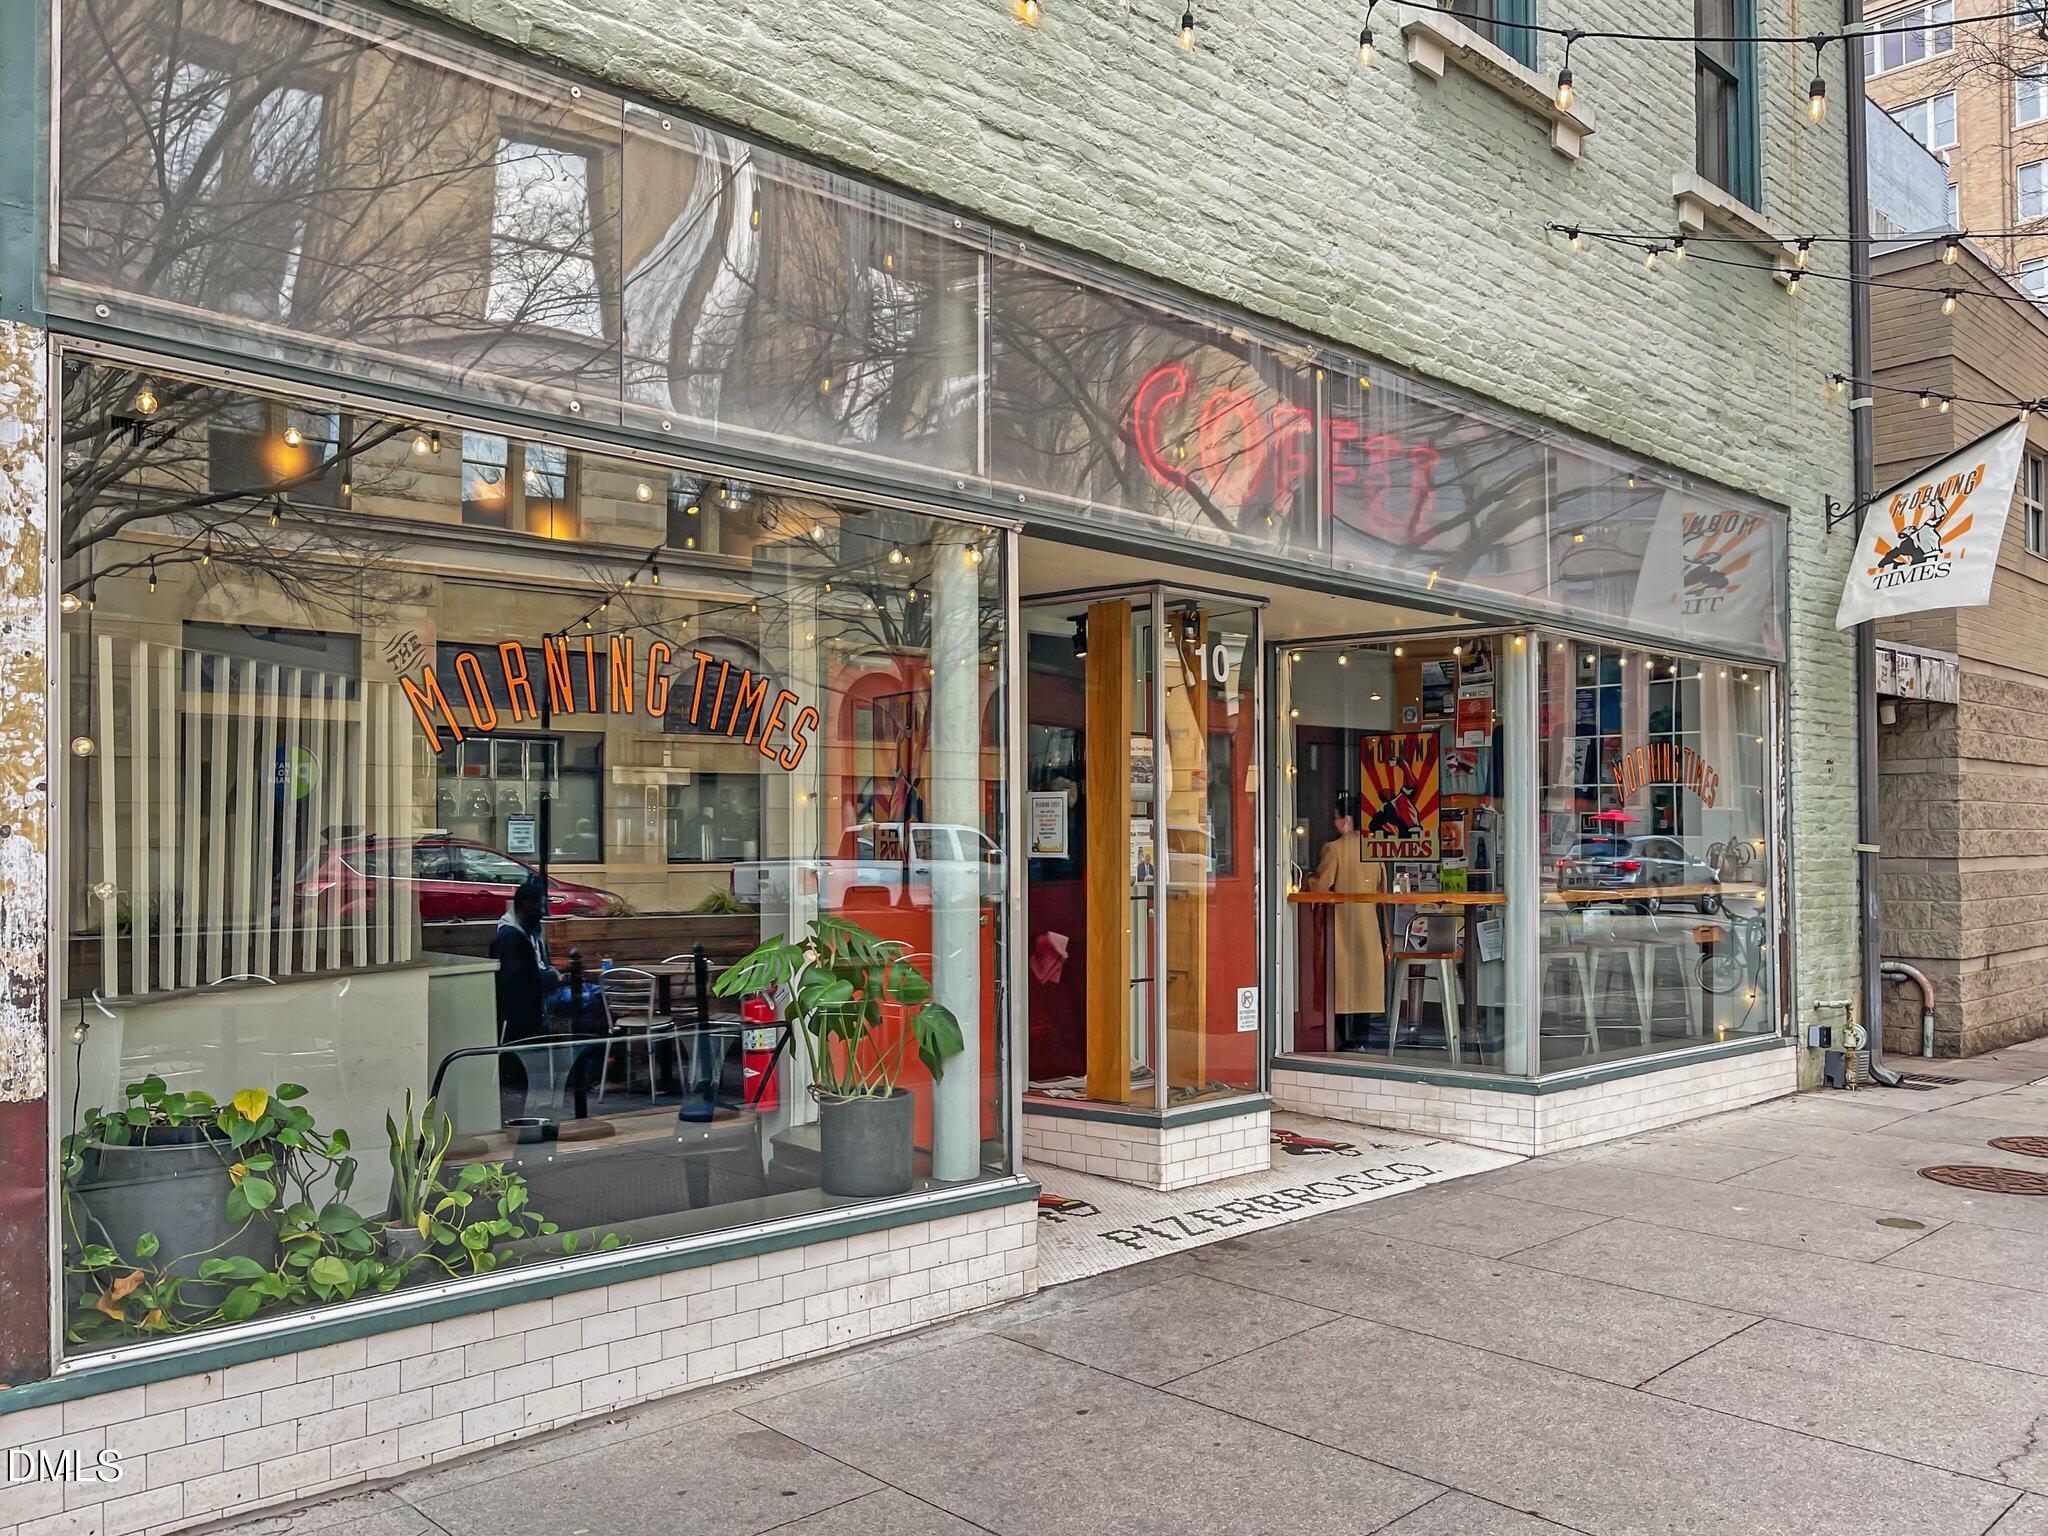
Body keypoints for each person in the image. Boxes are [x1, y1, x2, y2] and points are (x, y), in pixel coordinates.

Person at [1307, 792, 1388, 1050]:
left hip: (1342, 925)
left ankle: (1343, 1041)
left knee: (1341, 985)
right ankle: (1362, 1040)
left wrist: (1305, 879)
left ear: (1348, 820)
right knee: (1365, 985)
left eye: (1336, 818)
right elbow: (1382, 888)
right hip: (1369, 924)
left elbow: (1320, 885)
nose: (1334, 822)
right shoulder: (1374, 849)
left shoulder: (1334, 849)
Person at [490, 875, 560, 1121]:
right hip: (522, 1009)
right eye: (538, 906)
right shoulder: (511, 936)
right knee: (587, 1005)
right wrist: (550, 978)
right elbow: (518, 978)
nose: (541, 911)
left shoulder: (525, 932)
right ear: (525, 905)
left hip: (531, 1003)